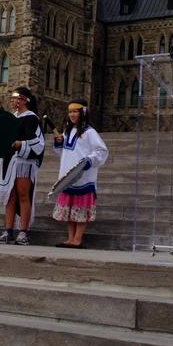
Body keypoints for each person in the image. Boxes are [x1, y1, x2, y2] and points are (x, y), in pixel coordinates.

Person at [52, 99, 109, 248]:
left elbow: (101, 150)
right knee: (70, 210)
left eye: (75, 111)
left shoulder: (90, 132)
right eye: (70, 111)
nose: (71, 114)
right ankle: (70, 238)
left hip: (83, 177)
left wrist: (89, 160)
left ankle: (77, 239)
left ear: (83, 112)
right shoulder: (67, 131)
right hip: (67, 175)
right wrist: (59, 142)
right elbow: (61, 152)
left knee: (80, 209)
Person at [0, 87, 45, 246]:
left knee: (23, 195)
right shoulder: (11, 118)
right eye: (12, 98)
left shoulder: (31, 118)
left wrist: (20, 144)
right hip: (10, 161)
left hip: (24, 162)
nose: (13, 101)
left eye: (16, 98)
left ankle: (24, 232)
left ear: (24, 100)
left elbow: (38, 145)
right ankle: (8, 231)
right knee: (10, 197)